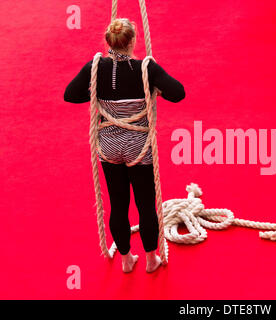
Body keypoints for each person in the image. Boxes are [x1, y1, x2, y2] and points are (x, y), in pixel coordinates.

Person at [64, 18, 185, 273]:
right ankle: (151, 259)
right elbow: (178, 93)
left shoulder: (95, 66)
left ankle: (126, 260)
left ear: (108, 42)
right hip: (138, 148)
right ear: (132, 42)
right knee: (145, 204)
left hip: (109, 148)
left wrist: (95, 93)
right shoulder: (145, 69)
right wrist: (155, 88)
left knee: (118, 204)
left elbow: (70, 94)